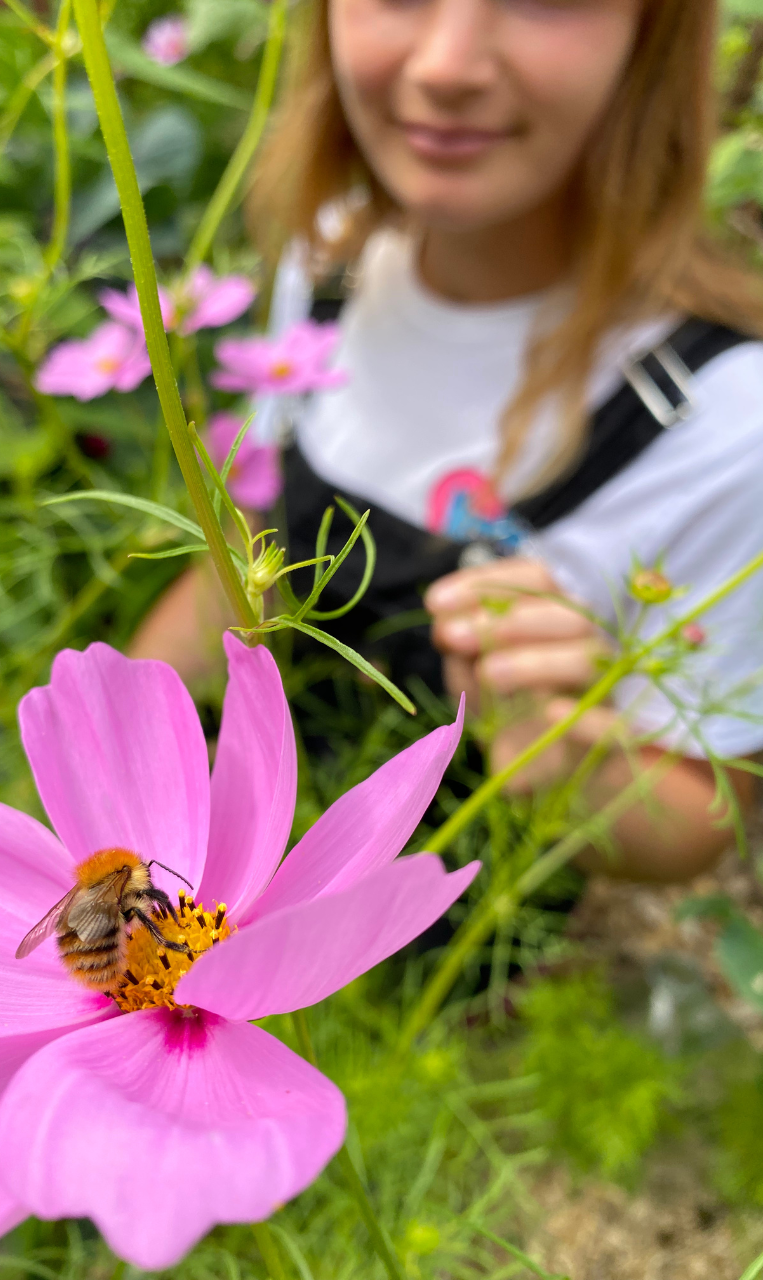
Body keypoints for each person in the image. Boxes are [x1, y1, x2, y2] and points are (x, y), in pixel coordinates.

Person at [131, 0, 763, 883]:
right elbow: (247, 556)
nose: (445, 64)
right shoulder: (330, 254)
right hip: (216, 884)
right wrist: (107, 752)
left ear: (654, 35)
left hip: (429, 941)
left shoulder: (729, 420)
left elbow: (697, 825)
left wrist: (553, 744)